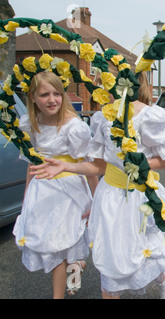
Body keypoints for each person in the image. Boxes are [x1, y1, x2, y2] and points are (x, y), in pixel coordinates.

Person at [31, 74, 165, 298]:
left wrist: (135, 166)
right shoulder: (103, 116)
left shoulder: (149, 115)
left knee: (142, 255)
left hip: (139, 196)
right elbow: (98, 166)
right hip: (109, 196)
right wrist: (65, 167)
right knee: (110, 264)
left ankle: (162, 278)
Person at [12, 71, 97, 298]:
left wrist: (95, 201)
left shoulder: (74, 126)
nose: (51, 100)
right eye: (44, 94)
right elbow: (33, 165)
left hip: (68, 191)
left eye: (56, 94)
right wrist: (26, 200)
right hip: (42, 191)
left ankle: (64, 285)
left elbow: (90, 167)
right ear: (32, 97)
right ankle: (76, 267)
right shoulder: (29, 124)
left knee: (62, 246)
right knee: (55, 246)